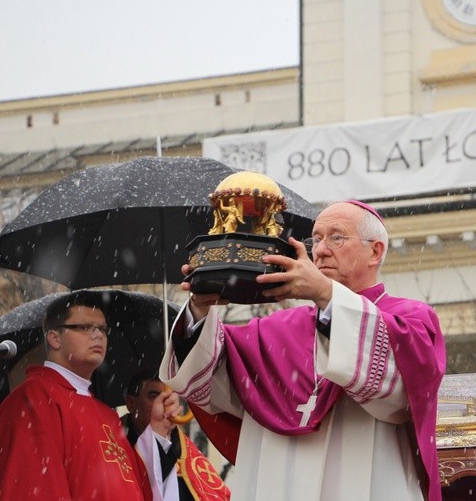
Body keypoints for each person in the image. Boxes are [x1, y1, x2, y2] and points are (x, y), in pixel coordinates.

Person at [160, 200, 446, 501]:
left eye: (336, 237)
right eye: (316, 239)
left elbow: (402, 393)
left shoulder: (411, 318)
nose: (320, 251)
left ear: (374, 252)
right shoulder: (275, 329)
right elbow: (208, 381)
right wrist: (200, 309)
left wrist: (326, 294)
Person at [0, 291, 179, 501]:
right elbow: (35, 489)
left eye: (103, 329)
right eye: (85, 327)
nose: (98, 335)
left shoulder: (106, 414)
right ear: (54, 338)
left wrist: (158, 429)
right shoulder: (33, 399)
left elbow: (139, 488)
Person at [123, 369, 231, 501]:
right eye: (154, 396)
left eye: (169, 396)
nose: (165, 404)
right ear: (131, 403)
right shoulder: (115, 443)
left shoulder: (184, 451)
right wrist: (157, 432)